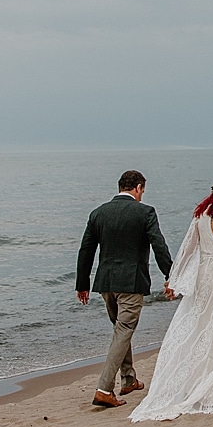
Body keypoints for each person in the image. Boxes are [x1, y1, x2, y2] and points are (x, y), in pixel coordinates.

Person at [129, 179, 213, 422]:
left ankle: (203, 381)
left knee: (204, 326)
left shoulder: (201, 218)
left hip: (206, 276)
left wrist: (174, 279)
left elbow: (187, 251)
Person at [75, 170, 174, 409]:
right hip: (131, 283)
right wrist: (171, 275)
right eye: (142, 191)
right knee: (124, 330)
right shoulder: (145, 212)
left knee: (121, 330)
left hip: (106, 284)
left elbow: (86, 250)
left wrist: (82, 284)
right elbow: (158, 244)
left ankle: (128, 379)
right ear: (138, 187)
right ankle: (103, 389)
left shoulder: (98, 213)